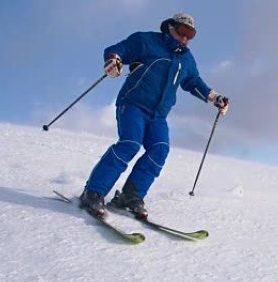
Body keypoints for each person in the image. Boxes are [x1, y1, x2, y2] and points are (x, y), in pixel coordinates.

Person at [79, 12, 229, 219]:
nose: (185, 38)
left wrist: (214, 97)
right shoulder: (147, 40)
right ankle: (93, 192)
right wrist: (113, 60)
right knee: (130, 143)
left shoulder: (186, 59)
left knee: (160, 150)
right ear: (170, 27)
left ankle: (130, 196)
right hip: (133, 105)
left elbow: (193, 82)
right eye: (182, 32)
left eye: (190, 34)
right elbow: (119, 50)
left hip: (158, 115)